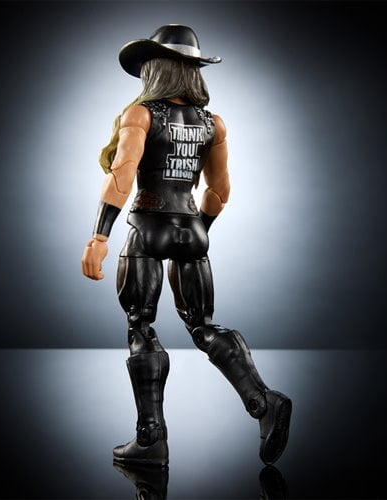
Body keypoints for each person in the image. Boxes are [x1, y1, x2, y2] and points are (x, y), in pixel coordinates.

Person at [81, 25, 291, 467]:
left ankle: (151, 439)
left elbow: (122, 176)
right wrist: (196, 232)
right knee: (203, 325)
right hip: (191, 226)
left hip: (147, 224)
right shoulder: (212, 123)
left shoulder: (141, 114)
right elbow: (219, 192)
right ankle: (263, 401)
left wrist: (99, 236)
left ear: (157, 69)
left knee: (141, 327)